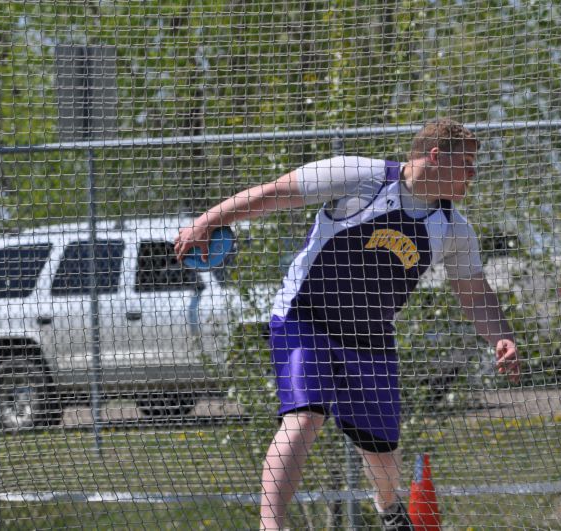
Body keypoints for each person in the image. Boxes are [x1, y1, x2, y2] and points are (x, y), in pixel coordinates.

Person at [175, 118, 520, 530]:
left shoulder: (453, 229)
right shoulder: (361, 175)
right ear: (436, 157)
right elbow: (274, 194)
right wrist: (206, 221)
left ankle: (389, 507)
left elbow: (476, 294)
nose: (473, 174)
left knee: (384, 457)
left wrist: (501, 336)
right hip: (307, 316)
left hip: (370, 337)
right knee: (304, 417)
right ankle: (273, 526)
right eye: (466, 163)